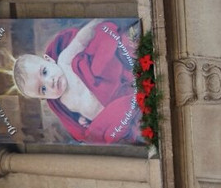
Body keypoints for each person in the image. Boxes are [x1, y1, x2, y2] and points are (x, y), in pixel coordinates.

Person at [12, 19, 140, 144]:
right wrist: (82, 120)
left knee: (124, 107)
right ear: (43, 98)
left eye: (44, 72)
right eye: (43, 89)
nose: (50, 82)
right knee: (102, 134)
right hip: (106, 117)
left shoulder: (64, 60)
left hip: (114, 92)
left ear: (49, 60)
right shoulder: (63, 102)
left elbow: (80, 40)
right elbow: (78, 114)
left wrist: (96, 22)